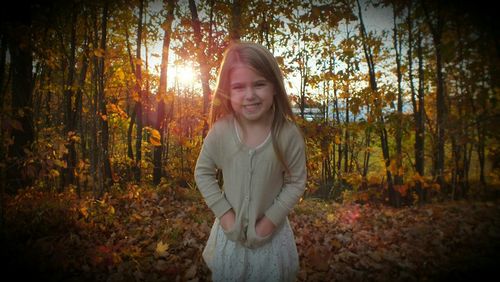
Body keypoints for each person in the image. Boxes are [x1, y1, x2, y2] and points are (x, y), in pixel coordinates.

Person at [194, 41, 307, 281]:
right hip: (230, 236)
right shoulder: (220, 132)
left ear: (274, 86)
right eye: (238, 87)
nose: (250, 95)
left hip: (271, 238)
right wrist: (225, 215)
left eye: (259, 84)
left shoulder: (287, 134)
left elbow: (296, 181)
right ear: (227, 91)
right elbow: (203, 173)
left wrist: (269, 222)